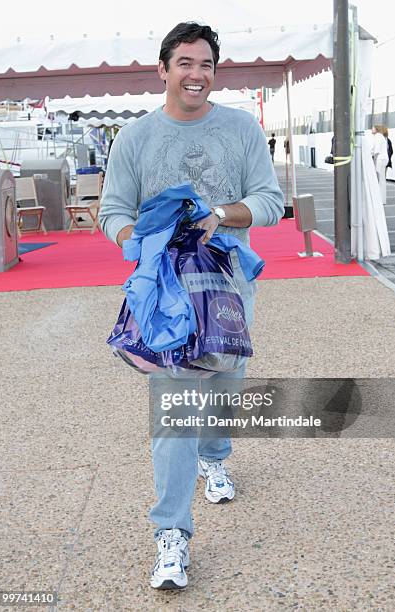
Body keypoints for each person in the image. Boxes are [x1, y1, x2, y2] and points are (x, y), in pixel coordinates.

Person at [99, 21, 284, 590]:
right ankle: (171, 535)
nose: (196, 74)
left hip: (229, 293)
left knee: (223, 393)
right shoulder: (135, 138)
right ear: (163, 70)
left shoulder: (241, 129)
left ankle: (216, 454)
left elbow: (270, 201)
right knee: (176, 412)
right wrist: (146, 236)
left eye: (205, 64)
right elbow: (112, 213)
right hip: (165, 301)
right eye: (184, 63)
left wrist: (219, 216)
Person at [371, 125, 389, 205]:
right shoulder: (382, 137)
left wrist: (374, 162)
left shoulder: (378, 136)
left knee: (378, 179)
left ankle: (379, 199)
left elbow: (376, 151)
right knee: (382, 179)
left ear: (377, 129)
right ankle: (382, 199)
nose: (372, 129)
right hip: (384, 158)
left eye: (373, 128)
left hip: (380, 159)